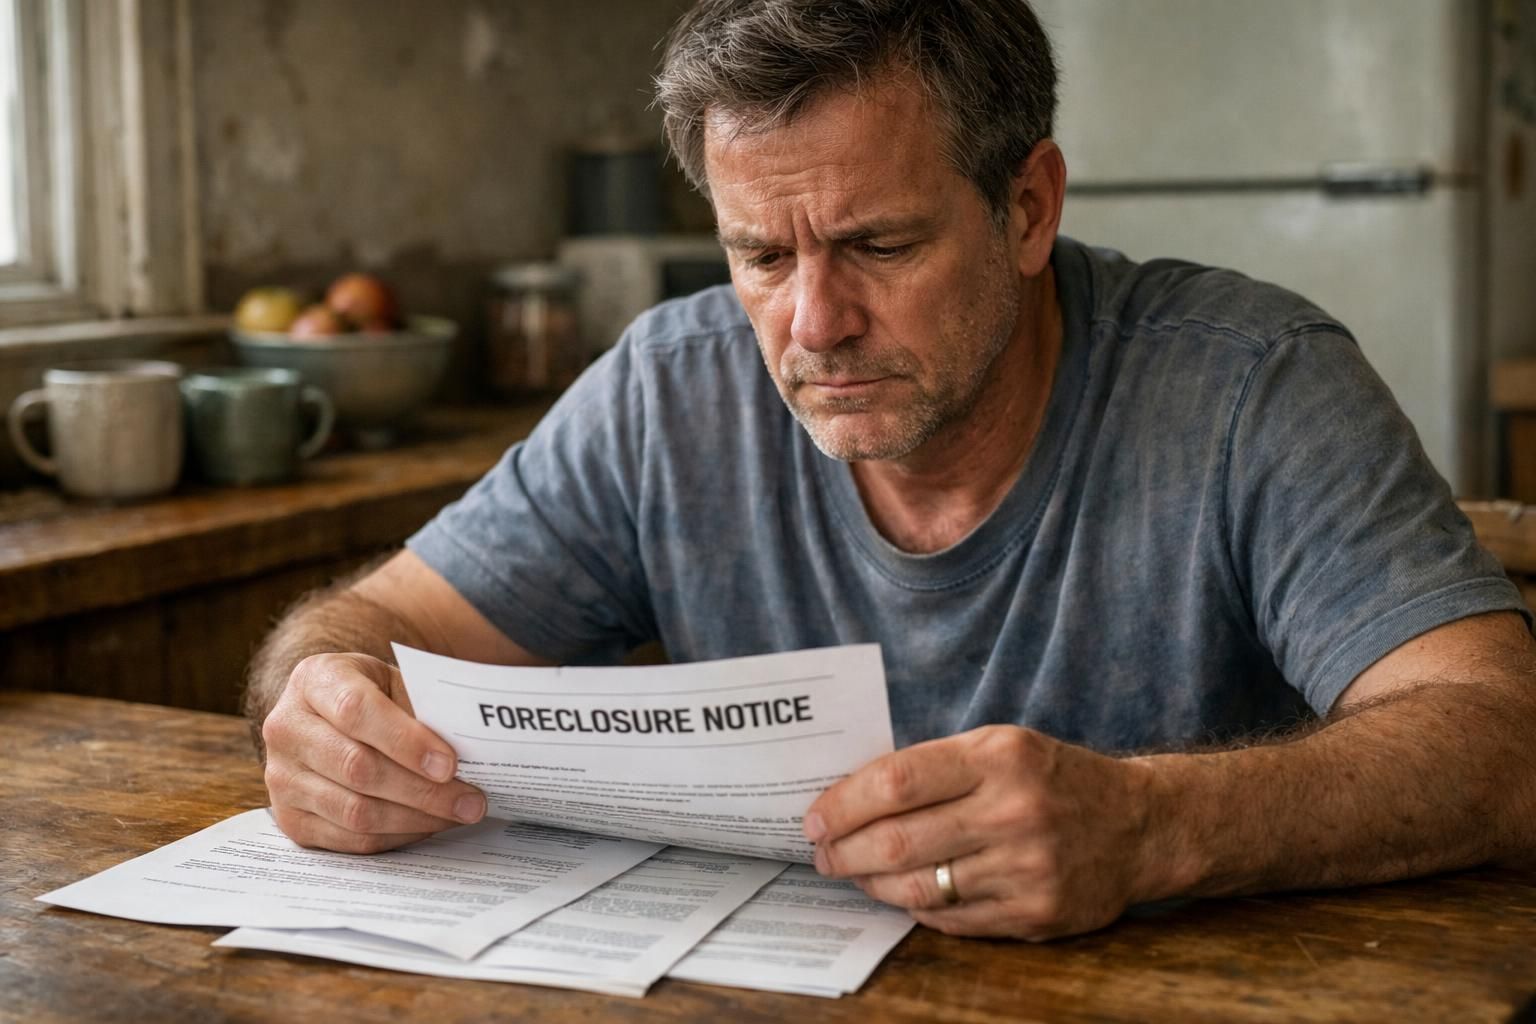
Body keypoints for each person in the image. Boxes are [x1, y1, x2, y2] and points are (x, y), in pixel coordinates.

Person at [243, 0, 1536, 941]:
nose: (813, 325)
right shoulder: (668, 388)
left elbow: (1505, 739)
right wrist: (324, 695)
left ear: (1029, 209)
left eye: (877, 244)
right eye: (758, 257)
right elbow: (376, 625)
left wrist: (1156, 825)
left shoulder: (1255, 383)